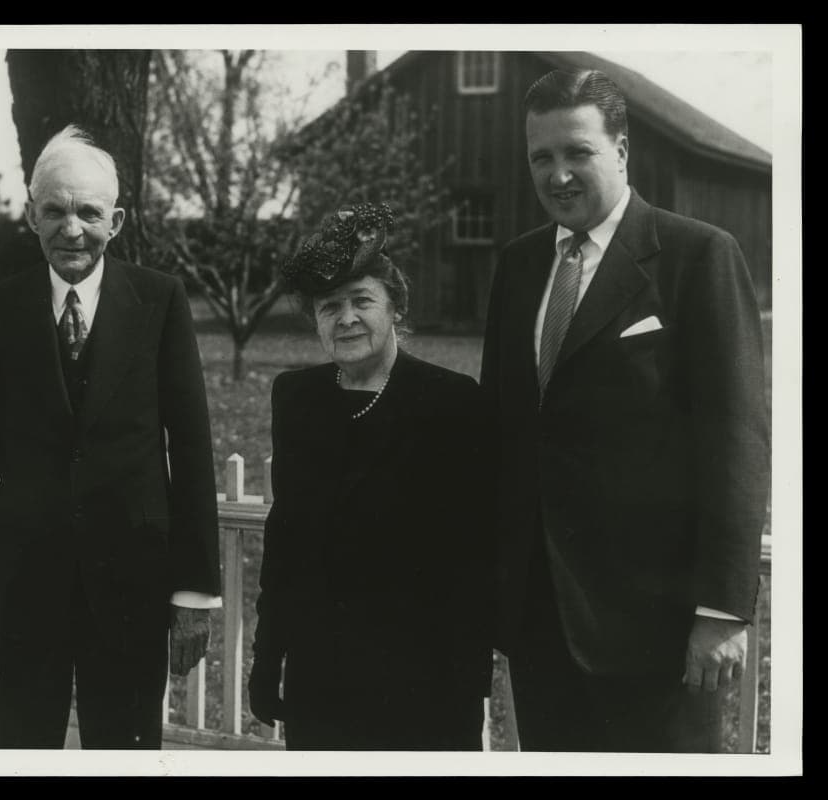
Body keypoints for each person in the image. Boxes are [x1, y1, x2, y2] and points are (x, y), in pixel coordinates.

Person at [480, 69, 770, 753]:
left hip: (657, 628)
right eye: (541, 158)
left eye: (577, 152)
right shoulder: (519, 267)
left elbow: (736, 443)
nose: (558, 176)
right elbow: (501, 433)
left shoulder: (698, 258)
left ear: (621, 149)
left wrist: (722, 609)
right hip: (540, 619)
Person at [0, 125, 222, 749]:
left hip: (132, 587)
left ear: (117, 221)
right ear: (31, 216)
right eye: (55, 211)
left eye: (89, 212)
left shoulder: (160, 302)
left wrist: (193, 592)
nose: (72, 228)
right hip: (23, 593)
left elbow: (193, 446)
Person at [247, 203, 494, 750]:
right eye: (329, 307)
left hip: (422, 680)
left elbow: (470, 559)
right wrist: (269, 659)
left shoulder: (449, 401)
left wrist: (466, 687)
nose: (346, 319)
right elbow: (286, 539)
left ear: (395, 309)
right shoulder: (297, 398)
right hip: (321, 676)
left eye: (362, 301)